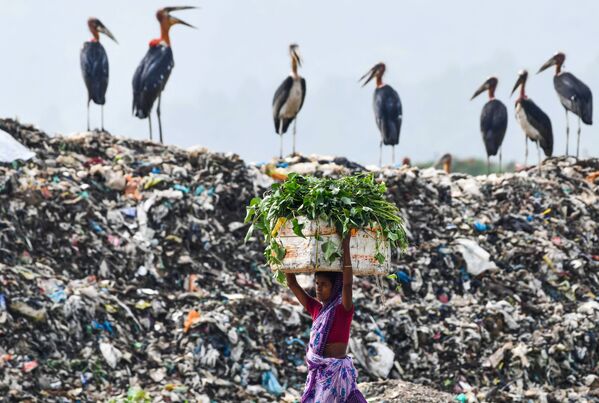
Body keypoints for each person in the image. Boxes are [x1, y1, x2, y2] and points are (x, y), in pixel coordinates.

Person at [285, 235, 367, 403]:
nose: (318, 288)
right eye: (316, 283)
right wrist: (286, 252)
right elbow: (292, 284)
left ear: (334, 286)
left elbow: (347, 283)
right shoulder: (316, 309)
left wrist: (345, 245)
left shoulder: (343, 309)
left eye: (324, 284)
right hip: (318, 374)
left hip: (335, 373)